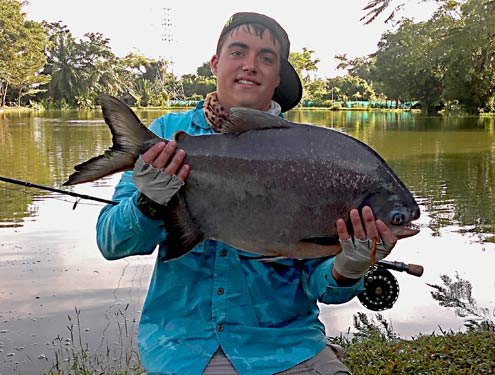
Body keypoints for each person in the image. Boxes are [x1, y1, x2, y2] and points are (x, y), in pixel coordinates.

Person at [96, 12, 397, 375]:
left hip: (289, 347)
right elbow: (111, 243)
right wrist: (147, 203)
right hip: (184, 349)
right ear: (216, 63)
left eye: (267, 58)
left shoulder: (313, 155)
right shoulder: (169, 137)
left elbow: (322, 287)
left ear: (277, 78)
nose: (251, 65)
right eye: (238, 51)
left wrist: (349, 268)